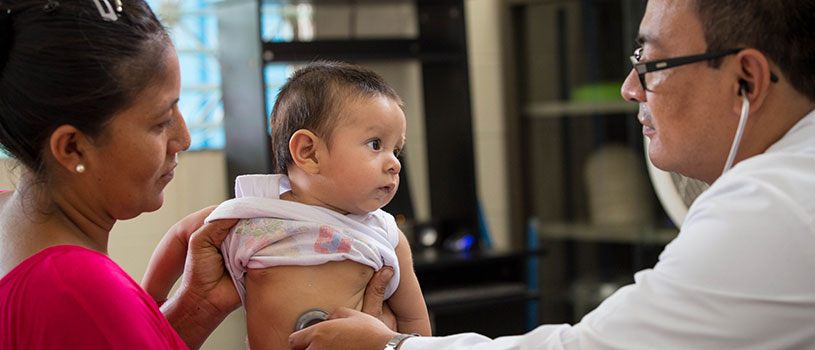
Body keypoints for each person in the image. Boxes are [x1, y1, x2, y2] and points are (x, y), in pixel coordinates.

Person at [287, 0, 815, 349]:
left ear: (746, 79)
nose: (631, 87)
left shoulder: (771, 203)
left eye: (650, 62)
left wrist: (390, 346)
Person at [0, 0, 244, 348]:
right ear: (73, 147)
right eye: (161, 122)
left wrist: (197, 306)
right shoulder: (78, 290)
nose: (184, 139)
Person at [150, 61, 430, 349]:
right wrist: (149, 302)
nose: (395, 163)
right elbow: (184, 235)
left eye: (396, 150)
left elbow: (413, 321)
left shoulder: (385, 234)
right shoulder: (257, 213)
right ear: (308, 152)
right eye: (375, 144)